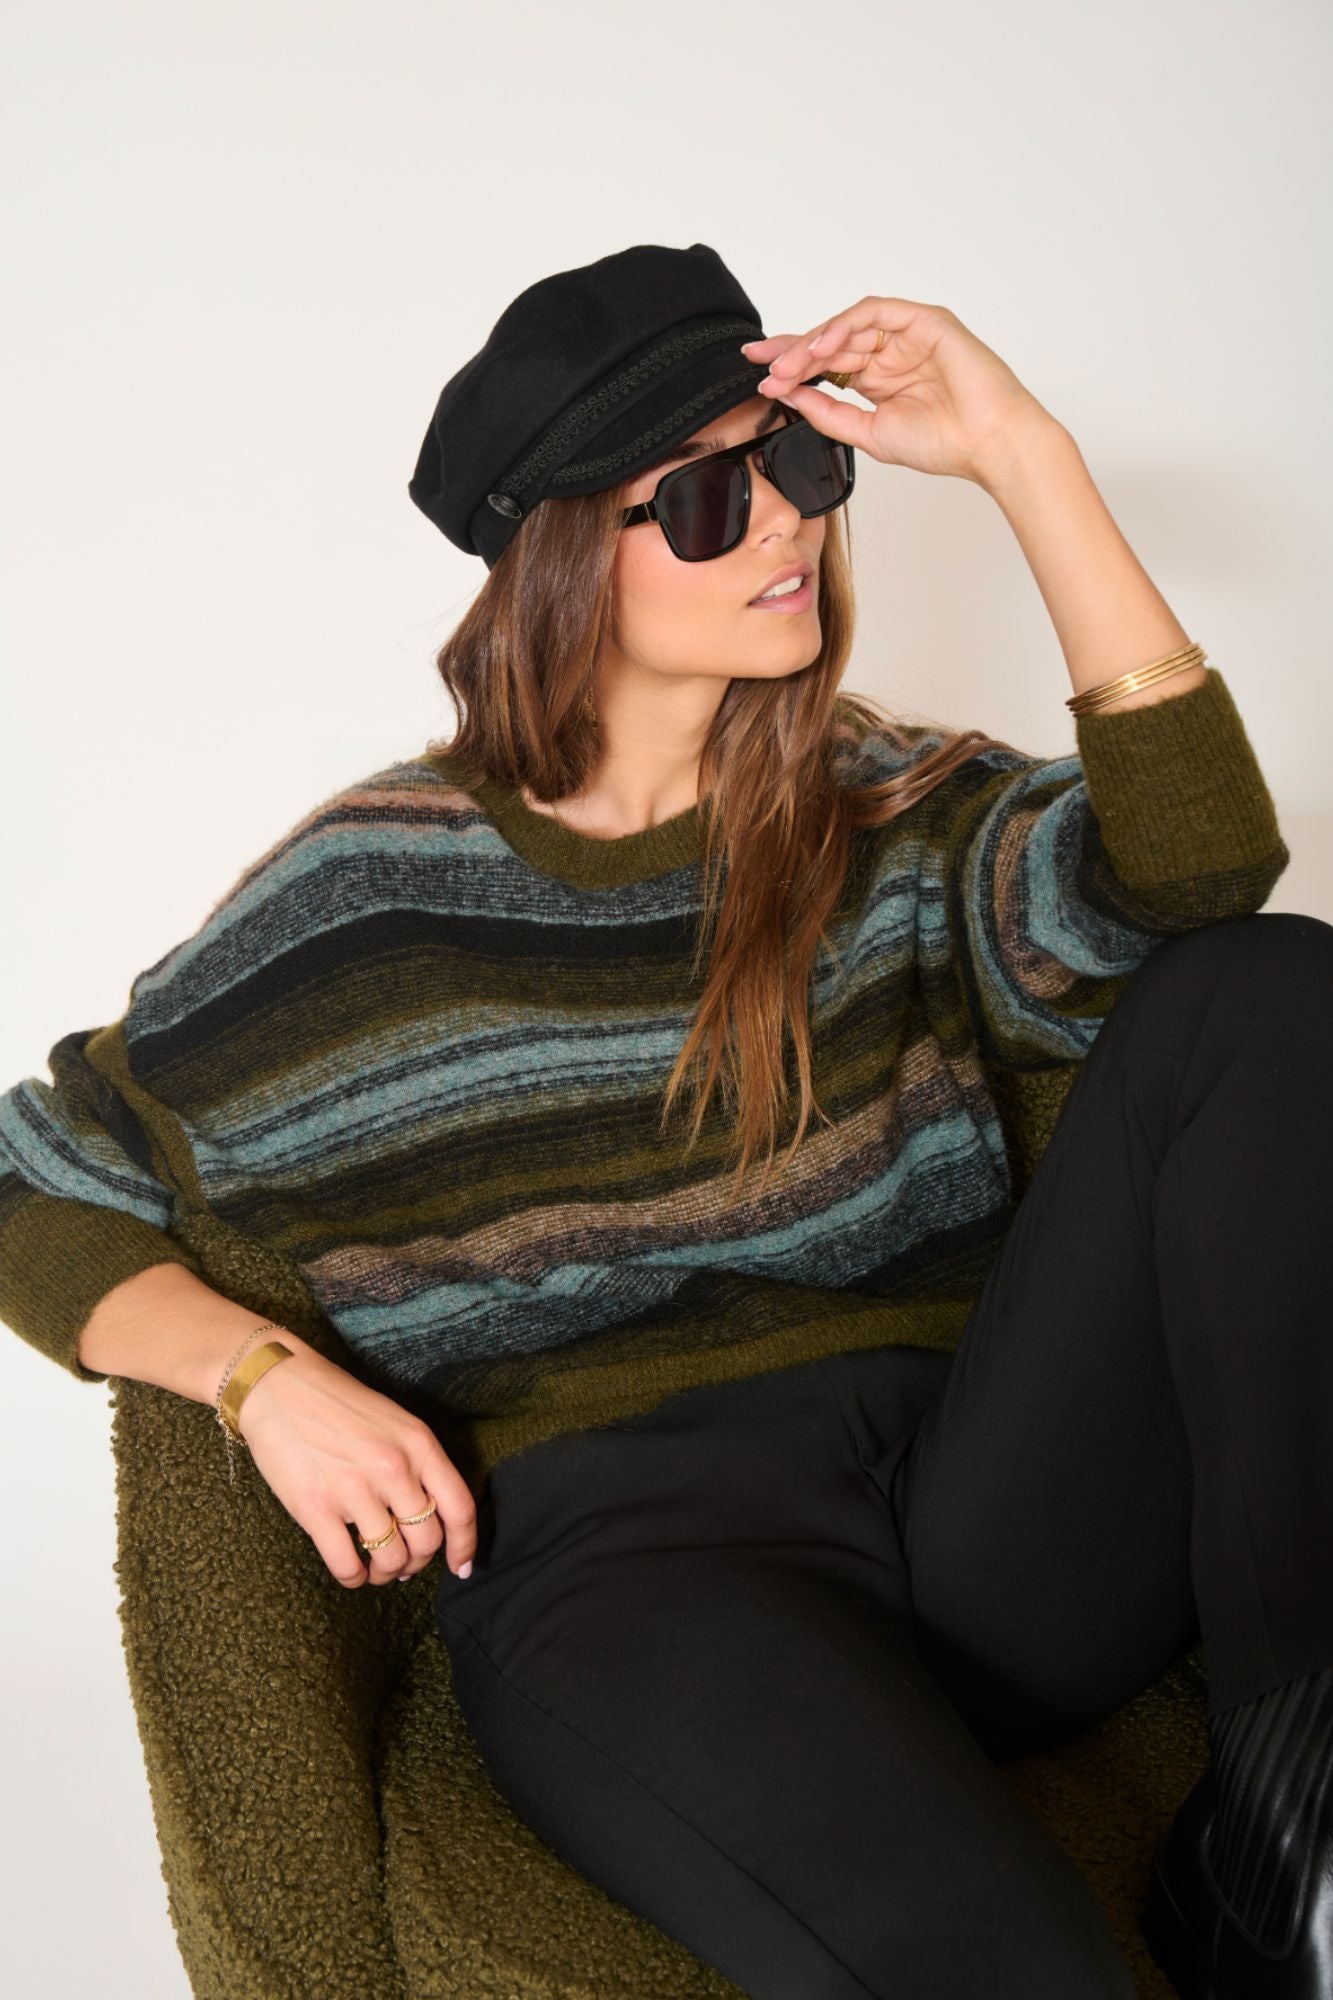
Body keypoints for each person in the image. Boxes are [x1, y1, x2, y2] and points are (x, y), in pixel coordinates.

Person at [1, 241, 1328, 2000]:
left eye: (799, 464)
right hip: (644, 1569)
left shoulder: (888, 805)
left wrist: (1023, 452)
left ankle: (1291, 1820)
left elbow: (1204, 871)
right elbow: (24, 1178)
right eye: (704, 496)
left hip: (981, 1511)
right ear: (562, 563)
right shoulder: (363, 899)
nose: (784, 524)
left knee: (1266, 983)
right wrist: (260, 1380)